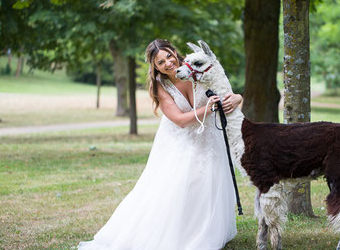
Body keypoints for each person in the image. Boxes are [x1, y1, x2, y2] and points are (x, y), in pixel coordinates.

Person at [78, 39, 243, 250]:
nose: (167, 63)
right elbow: (181, 120)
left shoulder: (197, 68)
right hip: (180, 139)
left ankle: (205, 229)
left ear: (175, 53)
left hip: (209, 136)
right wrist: (209, 109)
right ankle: (178, 232)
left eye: (169, 56)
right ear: (155, 67)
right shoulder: (160, 86)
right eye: (160, 62)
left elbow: (225, 88)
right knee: (179, 184)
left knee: (211, 181)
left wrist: (237, 97)